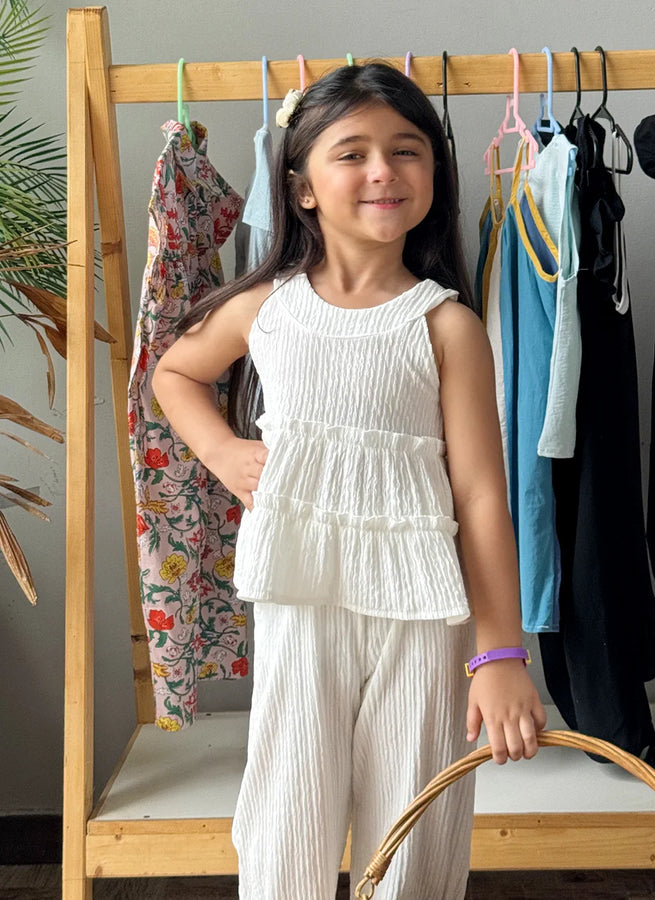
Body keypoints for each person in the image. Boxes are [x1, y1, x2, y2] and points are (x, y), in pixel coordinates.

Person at [153, 61, 546, 900]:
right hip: (302, 601)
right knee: (286, 810)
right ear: (300, 188)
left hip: (424, 615)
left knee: (417, 820)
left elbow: (479, 495)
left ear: (433, 178)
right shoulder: (267, 308)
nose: (382, 171)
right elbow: (174, 375)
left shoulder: (447, 325)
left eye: (407, 151)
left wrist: (500, 652)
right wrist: (223, 452)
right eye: (353, 153)